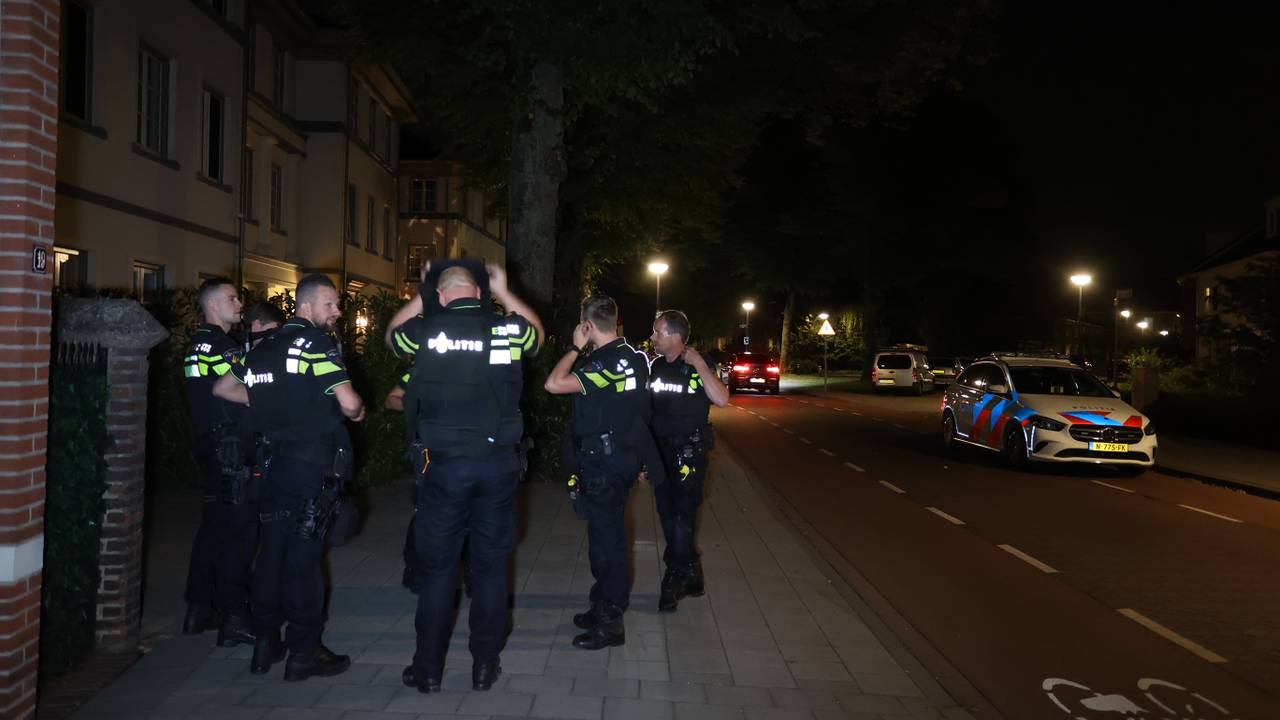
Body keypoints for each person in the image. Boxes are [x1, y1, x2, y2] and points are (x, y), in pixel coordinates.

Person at [386, 262, 542, 693]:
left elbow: (390, 336)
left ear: (442, 294)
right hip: (498, 465)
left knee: (438, 571)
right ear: (480, 290)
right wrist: (506, 292)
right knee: (490, 568)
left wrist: (424, 291)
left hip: (444, 467)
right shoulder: (506, 328)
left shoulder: (425, 330)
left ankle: (429, 669)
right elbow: (538, 336)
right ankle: (484, 666)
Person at [213, 273, 365, 681]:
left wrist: (267, 401)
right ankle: (304, 651)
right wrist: (356, 411)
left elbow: (224, 389)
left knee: (271, 556)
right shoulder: (315, 343)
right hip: (310, 467)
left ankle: (265, 644)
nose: (336, 312)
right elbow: (349, 404)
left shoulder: (263, 348)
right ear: (307, 306)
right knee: (304, 562)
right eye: (331, 304)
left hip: (272, 467)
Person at [544, 295, 656, 650]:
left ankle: (611, 620)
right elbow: (640, 411)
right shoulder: (636, 358)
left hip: (605, 464)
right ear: (617, 320)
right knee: (604, 537)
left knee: (608, 543)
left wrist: (574, 349)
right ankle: (601, 603)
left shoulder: (605, 363)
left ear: (587, 325)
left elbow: (554, 384)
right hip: (620, 458)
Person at [180, 278, 256, 647]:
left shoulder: (195, 346)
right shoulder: (225, 348)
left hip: (205, 443)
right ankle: (235, 615)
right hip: (229, 446)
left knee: (211, 526)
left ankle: (198, 608)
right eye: (231, 298)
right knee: (237, 532)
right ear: (212, 305)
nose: (239, 303)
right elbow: (243, 391)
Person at [647, 310, 729, 612]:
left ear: (674, 335)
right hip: (660, 453)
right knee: (667, 515)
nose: (654, 337)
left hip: (689, 455)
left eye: (658, 332)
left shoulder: (699, 364)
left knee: (682, 517)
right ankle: (692, 573)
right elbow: (648, 413)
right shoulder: (655, 367)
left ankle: (674, 575)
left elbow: (721, 399)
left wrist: (700, 366)